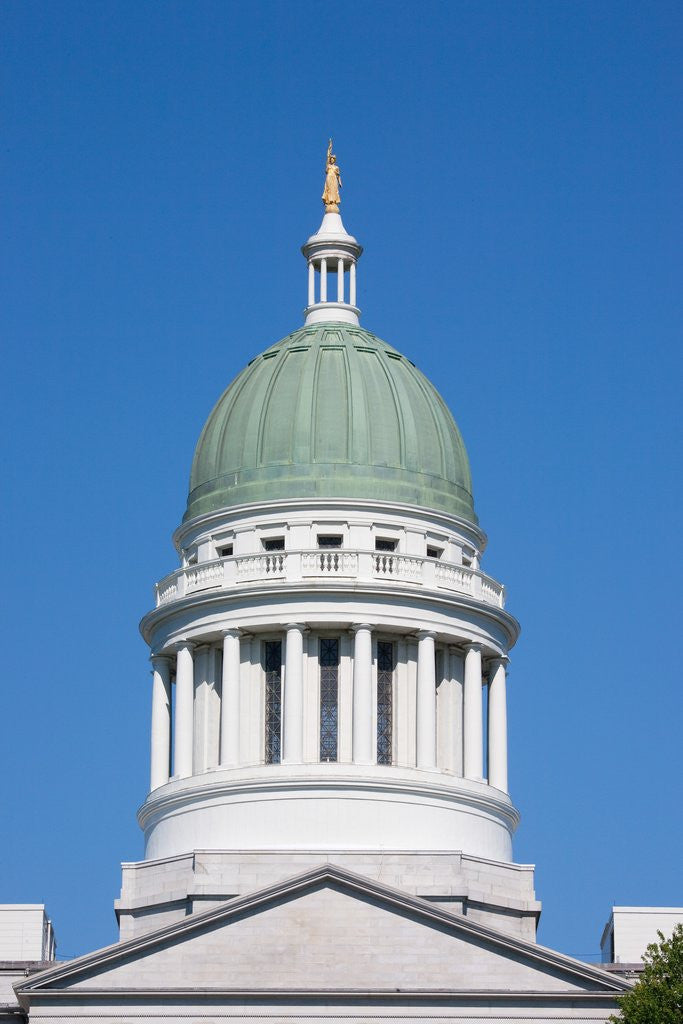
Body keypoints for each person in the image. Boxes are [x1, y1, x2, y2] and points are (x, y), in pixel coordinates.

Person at [322, 139, 342, 209]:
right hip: (329, 178)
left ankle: (333, 201)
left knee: (334, 190)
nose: (332, 159)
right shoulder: (328, 166)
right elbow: (327, 156)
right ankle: (329, 201)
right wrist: (330, 146)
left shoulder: (336, 167)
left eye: (333, 159)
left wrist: (340, 182)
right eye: (331, 159)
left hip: (334, 179)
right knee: (329, 189)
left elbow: (338, 176)